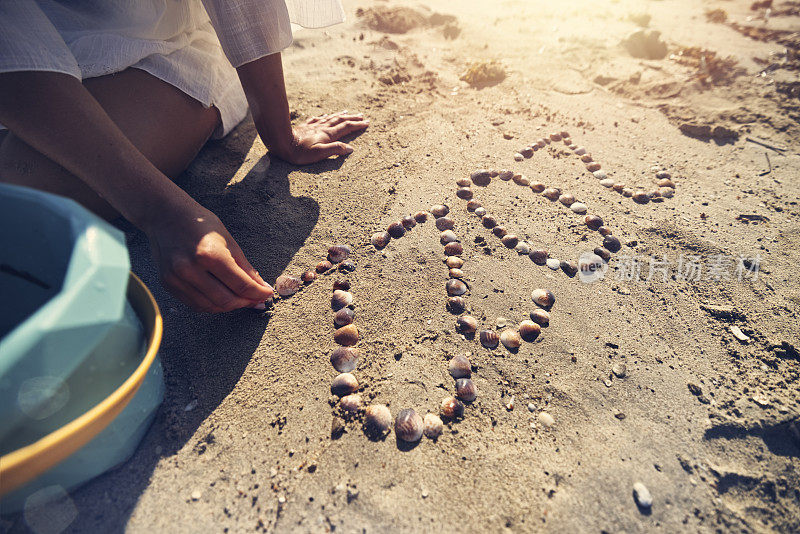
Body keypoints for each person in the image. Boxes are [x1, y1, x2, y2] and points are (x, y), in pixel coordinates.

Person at [0, 0, 369, 313]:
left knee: (16, 214)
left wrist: (280, 135)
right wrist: (164, 212)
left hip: (152, 43)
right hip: (22, 64)